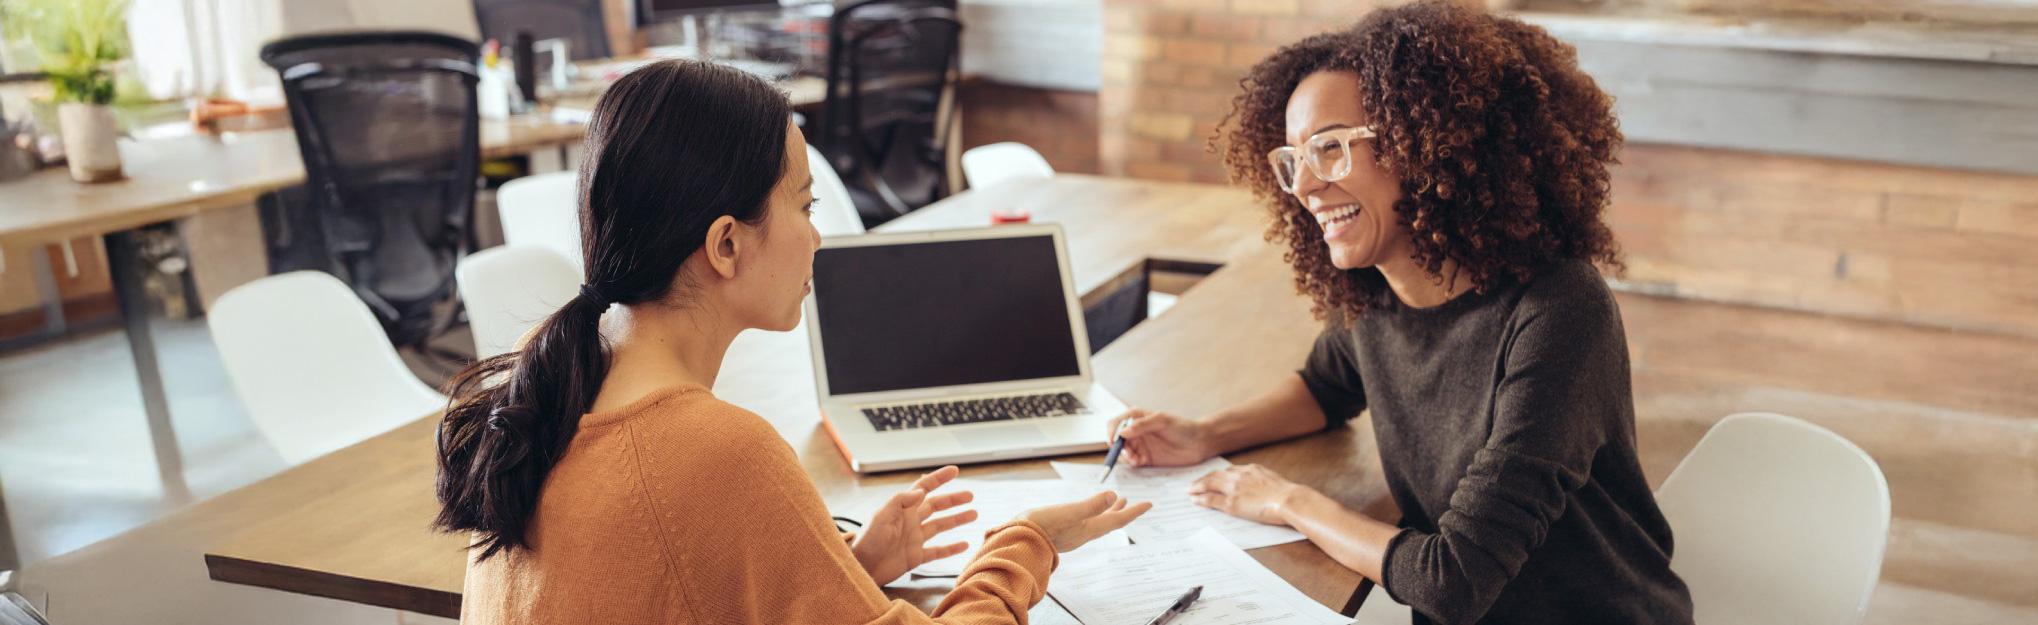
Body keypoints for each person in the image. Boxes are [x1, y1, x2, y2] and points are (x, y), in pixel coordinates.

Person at [433, 59, 1149, 624]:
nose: (817, 234)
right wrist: (1026, 543)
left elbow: (667, 587)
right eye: (805, 206)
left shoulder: (550, 376)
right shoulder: (717, 450)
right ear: (724, 243)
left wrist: (843, 567)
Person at [1105, 3, 1694, 624]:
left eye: (1330, 148)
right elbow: (1324, 388)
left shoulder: (1558, 311)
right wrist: (1204, 434)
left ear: (1428, 146)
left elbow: (1452, 580)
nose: (1306, 184)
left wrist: (1287, 501)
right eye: (1294, 158)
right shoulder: (1377, 293)